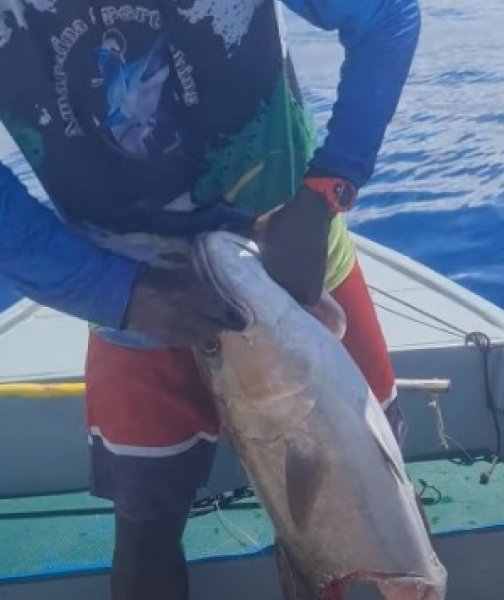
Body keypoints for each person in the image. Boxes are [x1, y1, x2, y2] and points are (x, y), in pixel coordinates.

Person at [0, 0, 421, 597]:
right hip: (131, 297)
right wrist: (120, 294)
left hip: (296, 269)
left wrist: (323, 194)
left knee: (373, 489)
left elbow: (386, 17)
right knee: (145, 525)